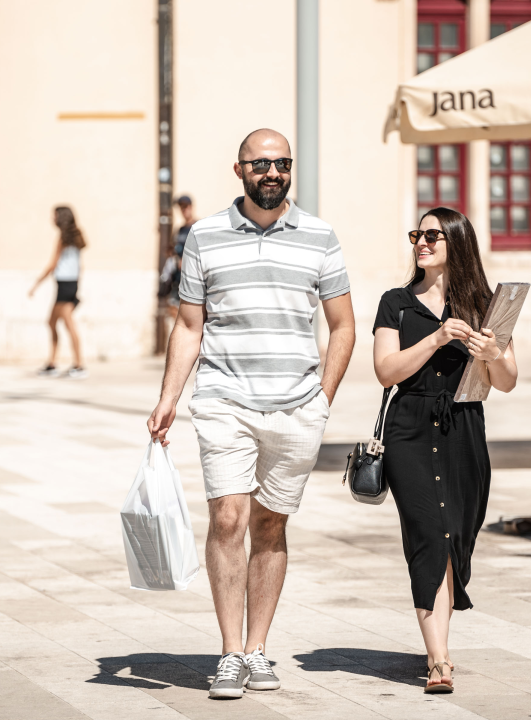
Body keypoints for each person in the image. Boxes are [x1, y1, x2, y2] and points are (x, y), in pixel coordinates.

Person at [147, 129, 356, 699]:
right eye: (261, 163)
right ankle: (230, 653)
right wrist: (169, 397)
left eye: (282, 163)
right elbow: (190, 326)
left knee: (270, 524)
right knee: (228, 519)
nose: (273, 172)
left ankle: (259, 647)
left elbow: (343, 325)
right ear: (238, 169)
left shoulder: (319, 236)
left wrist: (323, 399)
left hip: (296, 406)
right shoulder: (205, 236)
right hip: (223, 400)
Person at [372, 208, 518, 694]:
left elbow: (508, 382)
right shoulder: (395, 303)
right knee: (428, 534)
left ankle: (441, 648)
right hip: (408, 431)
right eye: (418, 234)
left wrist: (491, 353)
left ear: (457, 241)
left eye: (433, 235)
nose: (422, 241)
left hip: (464, 428)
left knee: (456, 534)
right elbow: (386, 370)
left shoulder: (484, 305)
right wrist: (437, 337)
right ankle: (439, 660)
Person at [29, 205, 87, 378]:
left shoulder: (63, 237)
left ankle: (79, 365)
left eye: (54, 216)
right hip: (71, 283)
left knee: (68, 324)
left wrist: (36, 284)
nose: (52, 219)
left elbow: (53, 264)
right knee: (52, 322)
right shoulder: (77, 236)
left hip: (64, 284)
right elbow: (79, 265)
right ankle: (53, 363)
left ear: (61, 218)